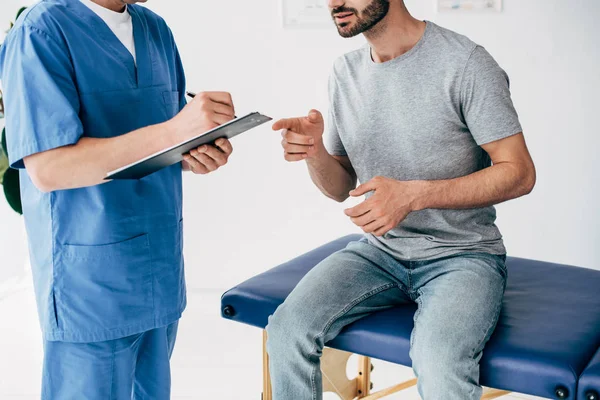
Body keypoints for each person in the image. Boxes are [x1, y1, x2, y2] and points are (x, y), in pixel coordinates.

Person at [268, 0, 536, 398]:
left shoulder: (465, 63)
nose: (333, 3)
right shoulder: (346, 72)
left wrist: (414, 196)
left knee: (438, 360)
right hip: (380, 253)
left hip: (462, 256)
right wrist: (315, 154)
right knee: (287, 329)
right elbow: (340, 186)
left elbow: (519, 172)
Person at [0, 0, 236, 398]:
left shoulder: (154, 30)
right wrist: (174, 131)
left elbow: (157, 135)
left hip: (158, 270)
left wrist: (194, 152)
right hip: (90, 284)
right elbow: (49, 168)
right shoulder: (41, 31)